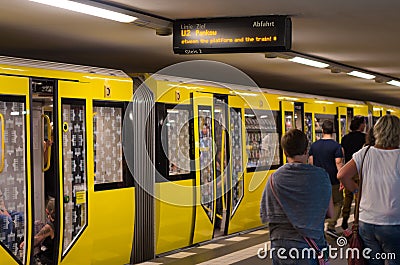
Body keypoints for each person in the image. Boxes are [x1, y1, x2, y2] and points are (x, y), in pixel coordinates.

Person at [260, 129, 333, 264]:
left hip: (280, 245)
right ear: (306, 150)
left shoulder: (273, 179)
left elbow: (266, 214)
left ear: (285, 152)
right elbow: (330, 212)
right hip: (311, 243)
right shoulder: (321, 176)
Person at [338, 115, 400, 265]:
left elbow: (342, 175)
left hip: (367, 222)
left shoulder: (365, 153)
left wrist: (357, 191)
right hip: (393, 222)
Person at [308, 120, 344, 238]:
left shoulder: (314, 145)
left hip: (318, 181)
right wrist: (341, 179)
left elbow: (311, 162)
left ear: (322, 130)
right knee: (337, 202)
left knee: (320, 203)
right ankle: (331, 226)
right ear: (333, 131)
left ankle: (318, 227)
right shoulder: (336, 146)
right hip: (333, 180)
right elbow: (338, 162)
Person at [340, 115, 366, 229]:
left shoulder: (345, 138)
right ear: (361, 125)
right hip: (360, 171)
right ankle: (356, 219)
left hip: (349, 170)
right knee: (359, 196)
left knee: (348, 196)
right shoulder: (365, 138)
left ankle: (345, 217)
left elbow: (343, 155)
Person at [20, 198, 56, 265]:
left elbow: (36, 240)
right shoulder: (61, 223)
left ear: (46, 211)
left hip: (47, 260)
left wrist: (24, 243)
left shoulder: (49, 227)